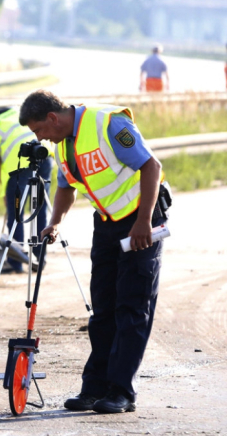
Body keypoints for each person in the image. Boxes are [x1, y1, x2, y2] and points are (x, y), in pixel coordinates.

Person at [19, 90, 169, 414]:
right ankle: (94, 388)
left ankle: (121, 392)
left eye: (38, 130)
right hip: (106, 224)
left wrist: (144, 220)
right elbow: (65, 186)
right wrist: (55, 221)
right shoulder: (63, 145)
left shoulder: (108, 124)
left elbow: (151, 167)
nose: (39, 138)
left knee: (131, 308)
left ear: (52, 118)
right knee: (102, 311)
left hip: (140, 220)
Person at [0, 102, 53, 274]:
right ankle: (39, 260)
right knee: (40, 209)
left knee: (16, 215)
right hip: (44, 154)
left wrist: (4, 188)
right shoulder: (13, 111)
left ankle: (15, 263)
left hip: (19, 166)